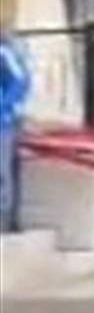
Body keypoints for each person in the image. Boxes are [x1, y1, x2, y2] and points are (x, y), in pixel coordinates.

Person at [0, 22, 30, 235]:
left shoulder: (4, 53)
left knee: (4, 171)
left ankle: (7, 220)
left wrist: (4, 106)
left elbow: (20, 81)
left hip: (4, 121)